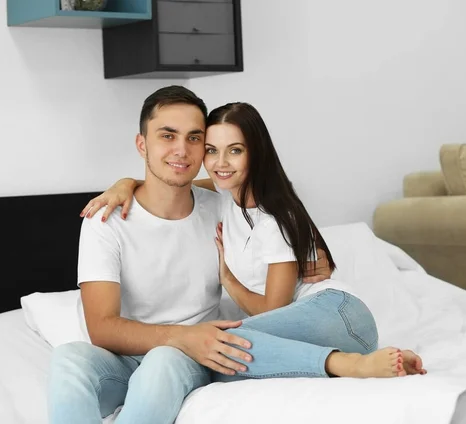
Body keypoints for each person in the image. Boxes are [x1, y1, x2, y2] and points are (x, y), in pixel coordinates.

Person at [48, 86, 417, 424]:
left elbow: (244, 186)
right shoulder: (106, 220)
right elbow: (101, 328)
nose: (182, 150)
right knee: (68, 359)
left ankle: (342, 363)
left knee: (164, 359)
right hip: (132, 357)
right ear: (141, 145)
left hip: (182, 358)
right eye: (167, 136)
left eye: (194, 138)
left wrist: (305, 251)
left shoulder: (219, 204)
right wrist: (124, 184)